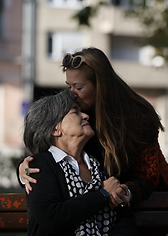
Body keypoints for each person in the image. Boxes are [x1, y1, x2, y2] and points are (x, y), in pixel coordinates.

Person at [19, 47, 168, 235]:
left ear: (101, 86)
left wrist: (123, 192)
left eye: (79, 87)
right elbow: (53, 157)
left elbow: (148, 176)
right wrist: (24, 168)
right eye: (69, 86)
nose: (72, 94)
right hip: (104, 204)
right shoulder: (80, 116)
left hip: (153, 204)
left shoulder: (137, 117)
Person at [23, 90, 136, 236]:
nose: (86, 115)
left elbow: (124, 216)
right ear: (55, 129)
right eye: (75, 112)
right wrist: (102, 194)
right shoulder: (39, 166)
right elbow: (51, 218)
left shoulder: (99, 165)